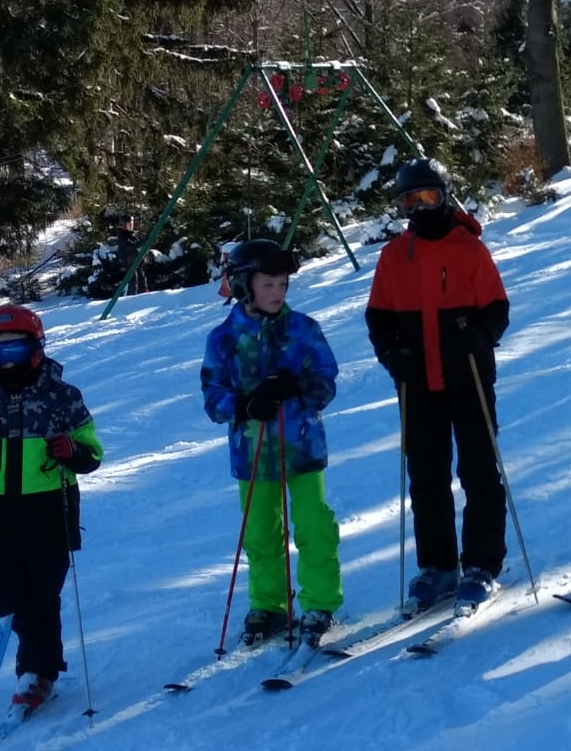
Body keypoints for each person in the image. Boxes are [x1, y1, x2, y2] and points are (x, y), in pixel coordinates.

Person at [0, 305, 103, 711]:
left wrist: (72, 451)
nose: (8, 360)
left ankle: (37, 672)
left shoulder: (62, 397)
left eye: (16, 349)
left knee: (40, 596)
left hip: (48, 511)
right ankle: (25, 639)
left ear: (37, 347)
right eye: (0, 351)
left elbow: (93, 454)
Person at [365, 158, 510, 611]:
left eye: (430, 196)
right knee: (427, 476)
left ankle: (482, 564)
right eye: (411, 200)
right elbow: (378, 317)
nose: (422, 207)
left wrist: (479, 336)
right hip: (418, 383)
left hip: (468, 377)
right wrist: (392, 355)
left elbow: (497, 308)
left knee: (479, 471)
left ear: (446, 197)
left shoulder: (469, 248)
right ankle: (439, 566)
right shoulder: (394, 256)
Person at [200, 239, 342, 645]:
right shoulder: (223, 338)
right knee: (260, 533)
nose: (278, 292)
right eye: (268, 284)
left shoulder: (303, 329)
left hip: (302, 446)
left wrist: (297, 386)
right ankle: (269, 604)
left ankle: (319, 604)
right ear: (244, 286)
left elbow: (326, 381)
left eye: (283, 284)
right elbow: (212, 397)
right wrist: (245, 405)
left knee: (314, 524)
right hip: (252, 452)